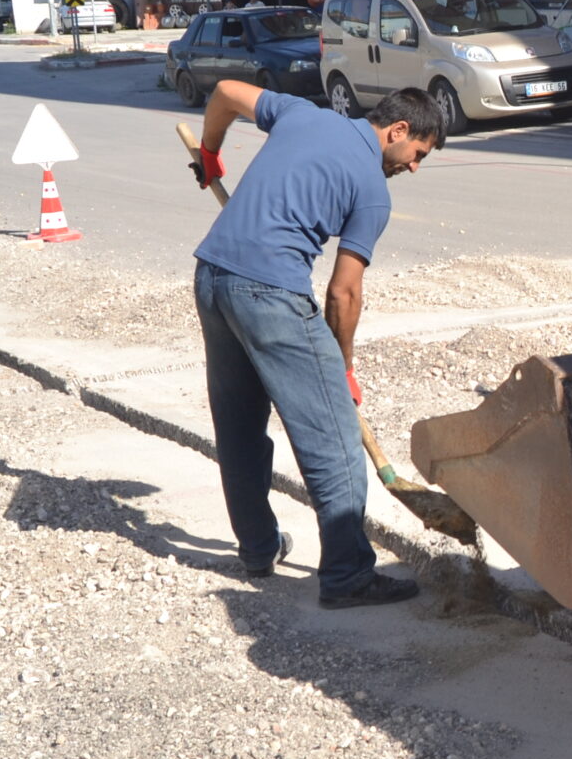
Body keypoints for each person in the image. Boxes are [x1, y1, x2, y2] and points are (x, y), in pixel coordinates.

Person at [188, 80, 444, 607]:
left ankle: (258, 550)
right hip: (268, 294)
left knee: (238, 428)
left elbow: (225, 92)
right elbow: (343, 294)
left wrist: (210, 152)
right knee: (335, 443)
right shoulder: (374, 191)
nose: (414, 168)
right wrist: (342, 368)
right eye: (417, 154)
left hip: (212, 279)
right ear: (397, 130)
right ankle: (348, 575)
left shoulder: (303, 113)